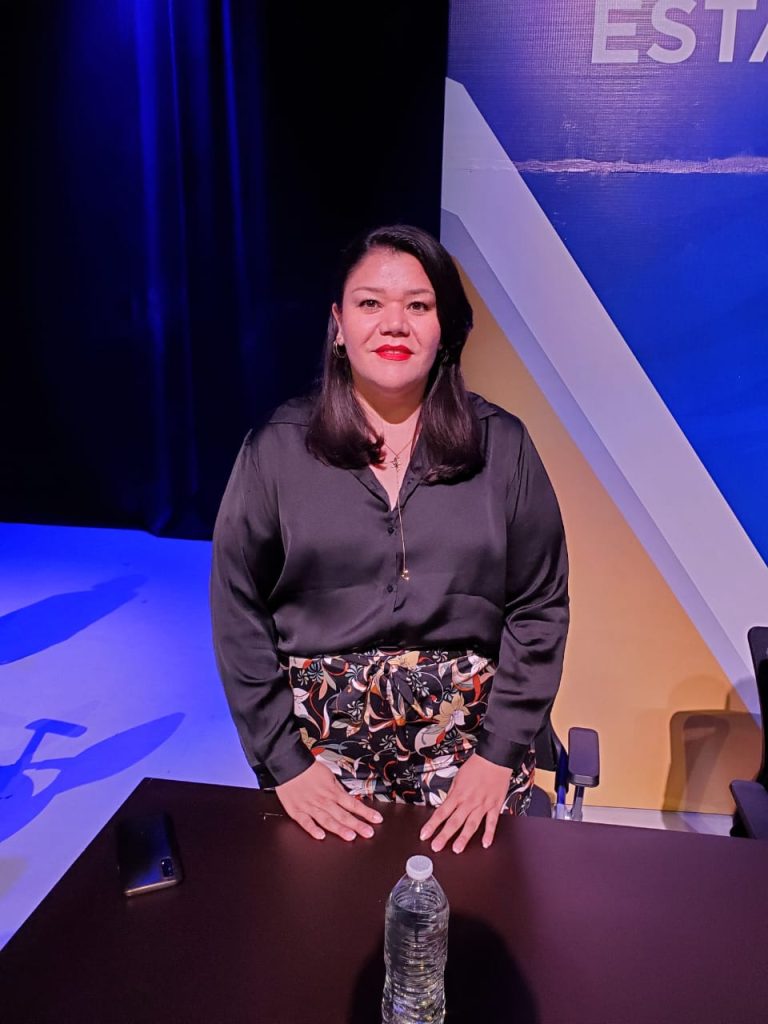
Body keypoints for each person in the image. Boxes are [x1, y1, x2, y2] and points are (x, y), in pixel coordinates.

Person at [210, 224, 568, 855]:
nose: (394, 324)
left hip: (471, 758)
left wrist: (499, 756)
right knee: (318, 913)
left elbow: (539, 608)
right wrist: (284, 763)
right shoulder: (276, 450)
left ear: (446, 329)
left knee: (470, 909)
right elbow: (238, 611)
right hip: (318, 759)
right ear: (338, 325)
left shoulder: (503, 446)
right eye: (370, 302)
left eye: (419, 306)